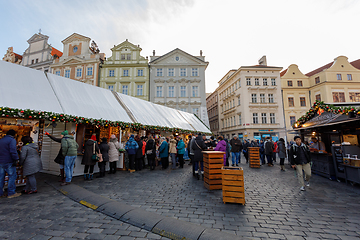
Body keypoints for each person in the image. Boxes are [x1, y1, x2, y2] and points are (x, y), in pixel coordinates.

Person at [0, 129, 21, 198]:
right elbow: (13, 150)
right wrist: (16, 159)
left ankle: (0, 193)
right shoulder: (12, 140)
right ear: (14, 134)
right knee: (12, 177)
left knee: (1, 178)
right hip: (9, 161)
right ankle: (11, 193)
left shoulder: (1, 140)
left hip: (1, 161)